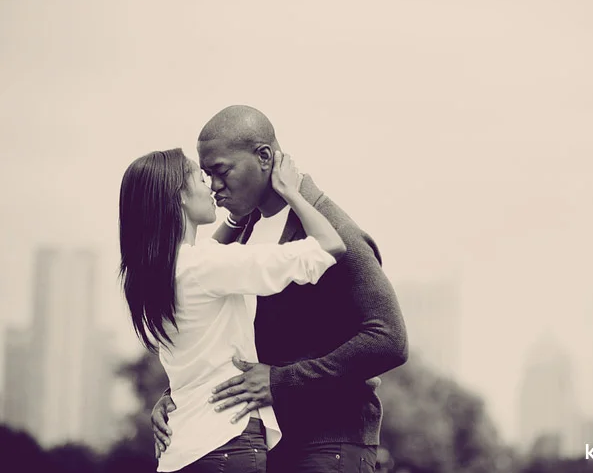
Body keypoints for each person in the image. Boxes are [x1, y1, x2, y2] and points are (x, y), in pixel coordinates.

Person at [151, 105, 409, 472]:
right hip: (264, 443)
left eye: (222, 171)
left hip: (330, 445)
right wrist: (178, 395)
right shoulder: (242, 232)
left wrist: (281, 381)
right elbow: (228, 334)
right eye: (206, 175)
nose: (214, 186)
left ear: (264, 157)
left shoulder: (333, 231)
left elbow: (389, 339)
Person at [119, 147, 347, 472]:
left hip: (181, 449)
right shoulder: (204, 266)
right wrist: (290, 191)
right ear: (179, 196)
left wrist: (236, 216)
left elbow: (212, 252)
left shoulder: (156, 274)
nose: (212, 187)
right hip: (226, 441)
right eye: (201, 179)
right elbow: (329, 247)